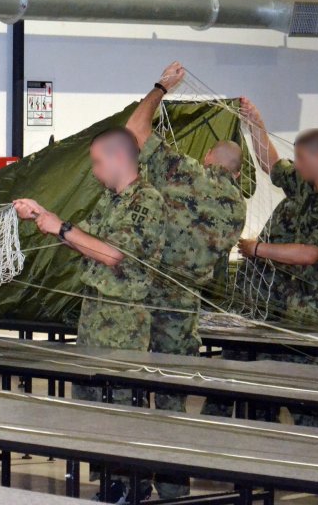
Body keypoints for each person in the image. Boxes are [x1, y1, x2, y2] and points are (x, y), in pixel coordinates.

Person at [14, 127, 165, 503]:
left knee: (121, 404)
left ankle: (132, 483)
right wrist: (44, 216)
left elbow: (113, 255)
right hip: (96, 317)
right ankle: (110, 480)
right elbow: (86, 242)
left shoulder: (146, 200)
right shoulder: (111, 200)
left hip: (122, 322)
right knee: (94, 403)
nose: (95, 171)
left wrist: (61, 227)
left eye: (97, 163)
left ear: (119, 158)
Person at [124, 62, 246, 500]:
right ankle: (174, 485)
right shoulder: (238, 208)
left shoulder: (185, 171)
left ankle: (130, 481)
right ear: (237, 173)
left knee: (130, 391)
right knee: (172, 396)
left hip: (144, 298)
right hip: (183, 307)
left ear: (209, 157)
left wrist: (160, 87)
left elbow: (134, 132)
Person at [237, 99, 318, 431]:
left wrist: (258, 249)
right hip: (299, 304)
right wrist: (256, 123)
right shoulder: (307, 187)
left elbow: (310, 254)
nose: (298, 165)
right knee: (300, 392)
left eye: (302, 159)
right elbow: (272, 165)